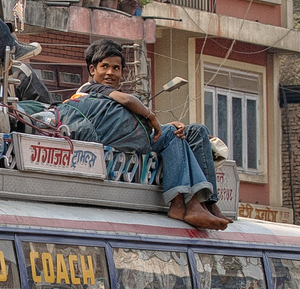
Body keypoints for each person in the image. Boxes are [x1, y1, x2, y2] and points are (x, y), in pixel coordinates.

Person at [58, 40, 230, 230]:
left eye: (116, 68)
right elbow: (128, 99)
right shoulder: (90, 89)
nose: (110, 73)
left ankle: (208, 202)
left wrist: (162, 125)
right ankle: (183, 204)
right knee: (173, 135)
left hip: (133, 137)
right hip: (120, 142)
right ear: (92, 69)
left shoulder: (108, 94)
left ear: (122, 72)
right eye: (104, 67)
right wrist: (152, 118)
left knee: (198, 132)